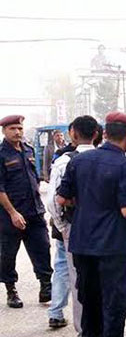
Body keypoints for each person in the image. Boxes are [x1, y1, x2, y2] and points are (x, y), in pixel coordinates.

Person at [57, 112, 126, 337]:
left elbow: (61, 198)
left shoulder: (78, 160)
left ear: (103, 134)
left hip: (82, 242)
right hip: (113, 245)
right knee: (115, 303)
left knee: (89, 298)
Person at [45, 116, 97, 337]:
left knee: (79, 282)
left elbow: (55, 201)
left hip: (75, 230)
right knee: (103, 282)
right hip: (105, 231)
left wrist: (63, 227)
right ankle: (104, 336)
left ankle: (85, 336)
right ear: (97, 133)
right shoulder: (112, 160)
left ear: (73, 133)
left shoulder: (65, 162)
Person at [0, 115, 53, 309]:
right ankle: (11, 290)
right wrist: (13, 213)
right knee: (8, 254)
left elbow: (34, 179)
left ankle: (46, 286)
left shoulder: (28, 150)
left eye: (20, 128)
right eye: (13, 128)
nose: (17, 132)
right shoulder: (1, 154)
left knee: (43, 248)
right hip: (9, 215)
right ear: (4, 131)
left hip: (34, 211)